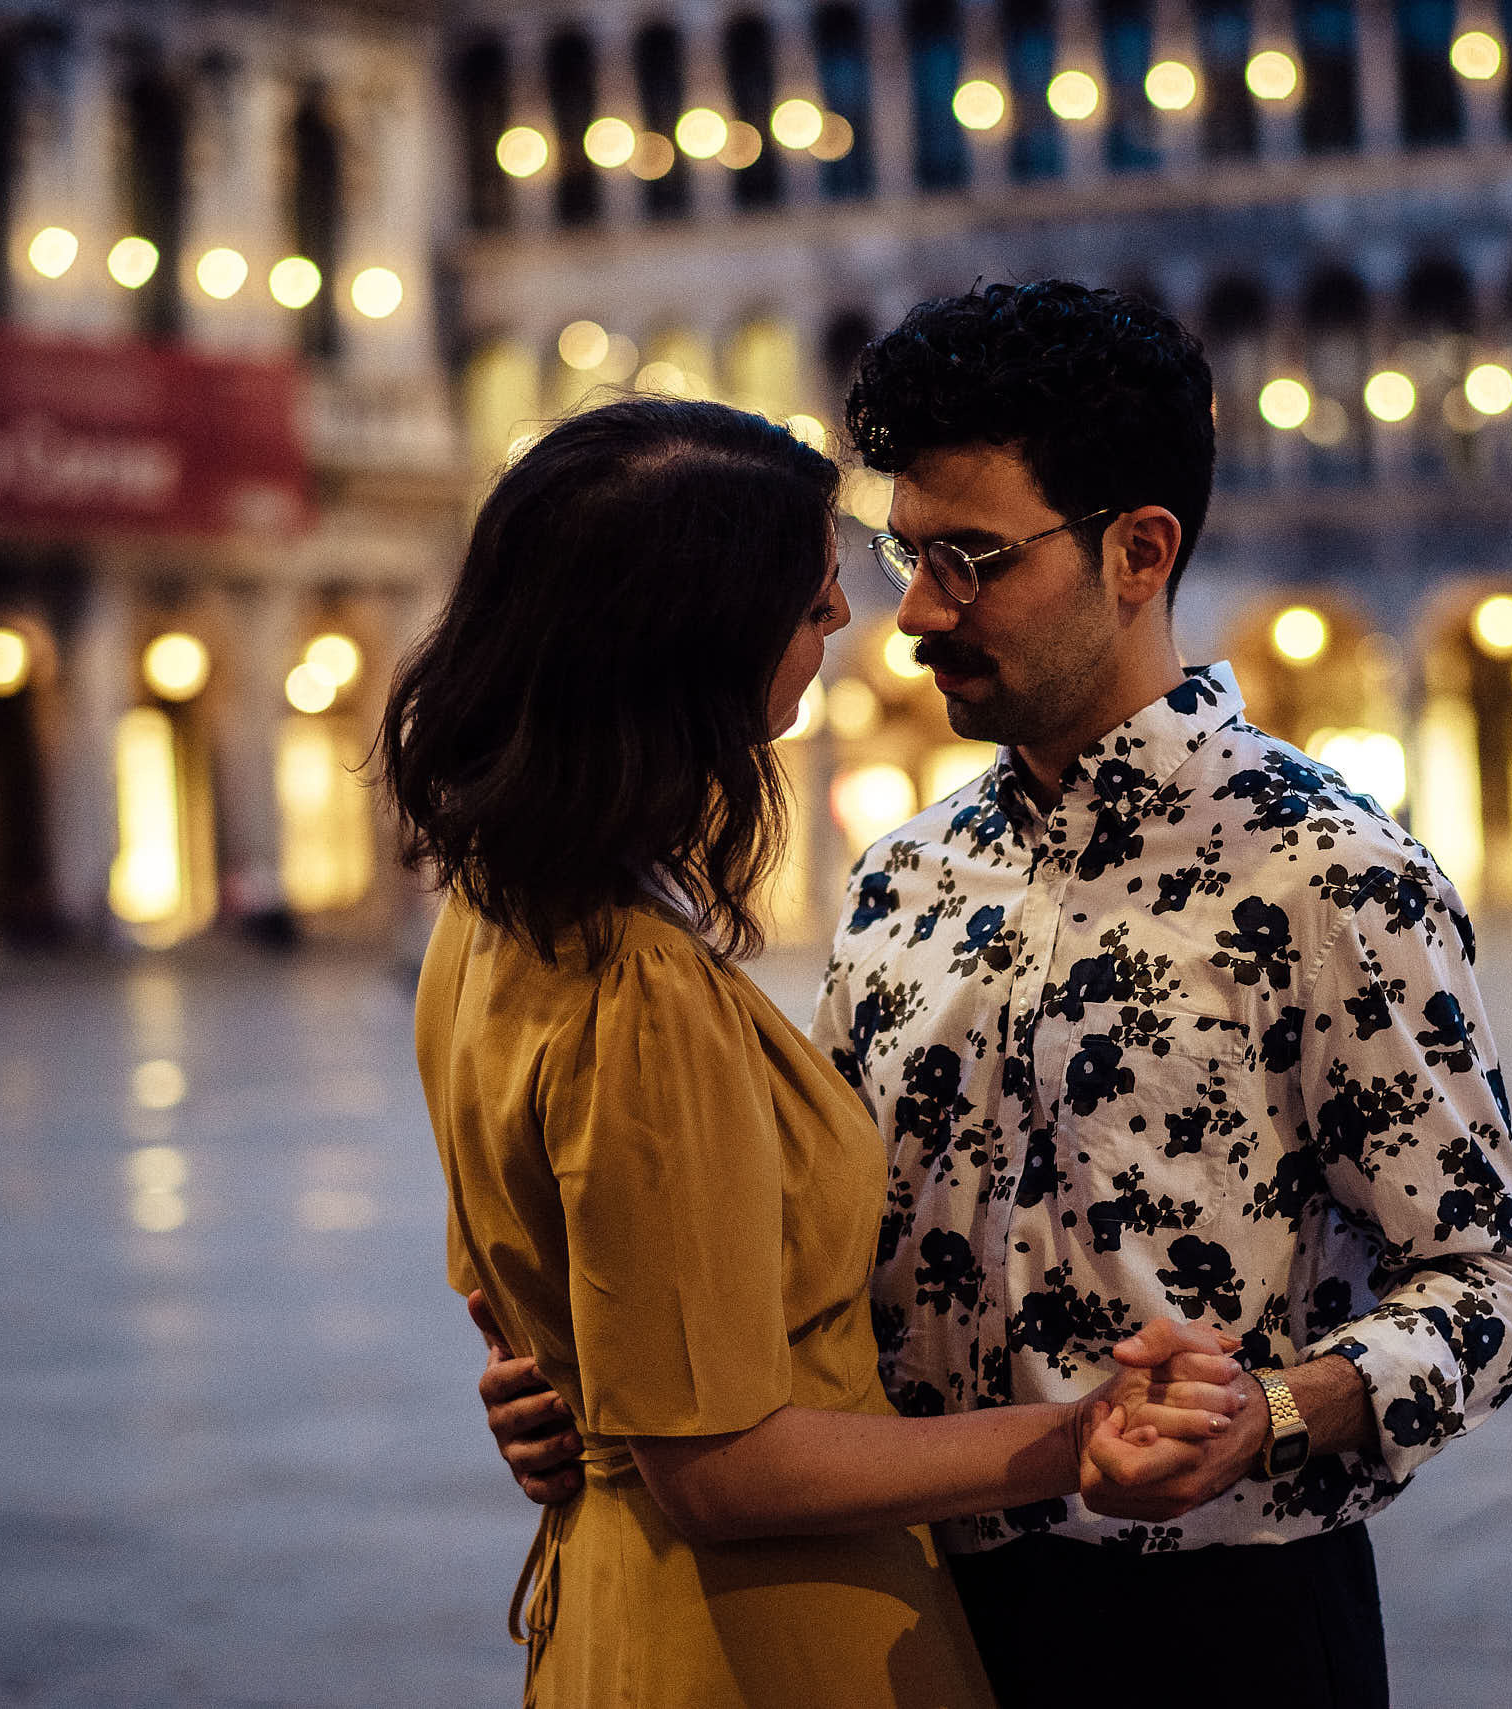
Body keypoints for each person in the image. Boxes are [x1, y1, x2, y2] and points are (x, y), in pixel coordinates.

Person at [478, 282, 1512, 1707]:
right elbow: (803, 1247)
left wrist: (1275, 1412)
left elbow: (1497, 1280)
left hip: (1216, 1629)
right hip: (903, 1600)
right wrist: (608, 1376)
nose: (917, 612)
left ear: (1138, 550)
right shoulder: (904, 877)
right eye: (906, 554)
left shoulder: (1327, 874)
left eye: (971, 558)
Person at [383, 395, 1247, 1709]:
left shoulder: (493, 912)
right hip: (761, 1632)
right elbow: (725, 1469)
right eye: (808, 594)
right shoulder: (637, 988)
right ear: (691, 633)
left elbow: (521, 1292)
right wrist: (1079, 1436)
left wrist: (566, 1385)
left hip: (634, 1591)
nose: (849, 618)